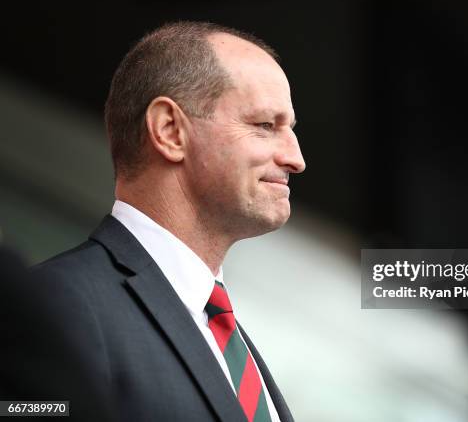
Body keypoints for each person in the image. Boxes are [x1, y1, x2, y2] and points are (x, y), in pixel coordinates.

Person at [33, 21, 305, 422]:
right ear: (169, 130)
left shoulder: (224, 333)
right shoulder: (56, 307)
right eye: (266, 125)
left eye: (290, 130)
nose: (296, 159)